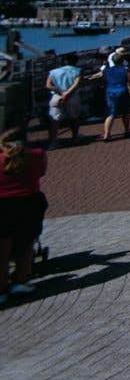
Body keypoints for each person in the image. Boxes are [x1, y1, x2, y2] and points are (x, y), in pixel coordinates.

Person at [0, 130, 47, 307]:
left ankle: (1, 288)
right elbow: (41, 172)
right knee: (25, 243)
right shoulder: (36, 155)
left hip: (2, 205)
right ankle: (20, 280)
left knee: (2, 248)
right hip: (28, 203)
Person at [93, 48, 130, 142]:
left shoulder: (106, 70)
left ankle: (107, 134)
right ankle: (127, 131)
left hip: (110, 91)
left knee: (111, 113)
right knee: (125, 112)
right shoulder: (125, 69)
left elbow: (103, 78)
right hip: (122, 90)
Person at [44, 52, 83, 148]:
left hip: (57, 96)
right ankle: (74, 137)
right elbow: (76, 84)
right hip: (72, 96)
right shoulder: (78, 70)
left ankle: (53, 142)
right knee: (74, 117)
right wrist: (67, 93)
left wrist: (60, 91)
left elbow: (48, 85)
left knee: (54, 119)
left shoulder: (53, 71)